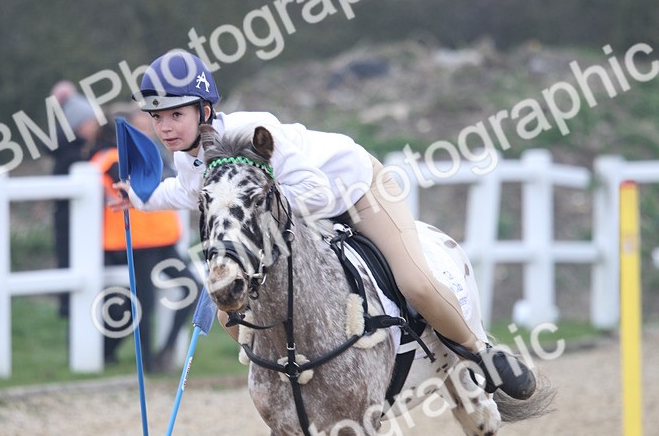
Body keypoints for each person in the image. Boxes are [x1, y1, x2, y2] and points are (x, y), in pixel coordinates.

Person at [112, 49, 536, 399]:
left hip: (357, 190)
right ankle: (287, 381)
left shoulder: (255, 132)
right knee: (228, 307)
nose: (164, 127)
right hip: (301, 215)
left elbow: (312, 190)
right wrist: (140, 199)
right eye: (157, 117)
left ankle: (482, 355)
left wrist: (257, 213)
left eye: (174, 115)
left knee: (415, 282)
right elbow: (187, 192)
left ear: (204, 110)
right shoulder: (190, 153)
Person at [90, 108, 197, 370]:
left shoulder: (155, 156)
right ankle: (146, 363)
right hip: (137, 243)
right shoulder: (111, 159)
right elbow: (133, 185)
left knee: (192, 288)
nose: (148, 131)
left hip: (163, 240)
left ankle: (165, 350)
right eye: (139, 127)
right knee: (143, 305)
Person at [51, 80, 100, 317]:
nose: (94, 126)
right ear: (78, 126)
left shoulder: (78, 151)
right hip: (69, 221)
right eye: (90, 122)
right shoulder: (74, 156)